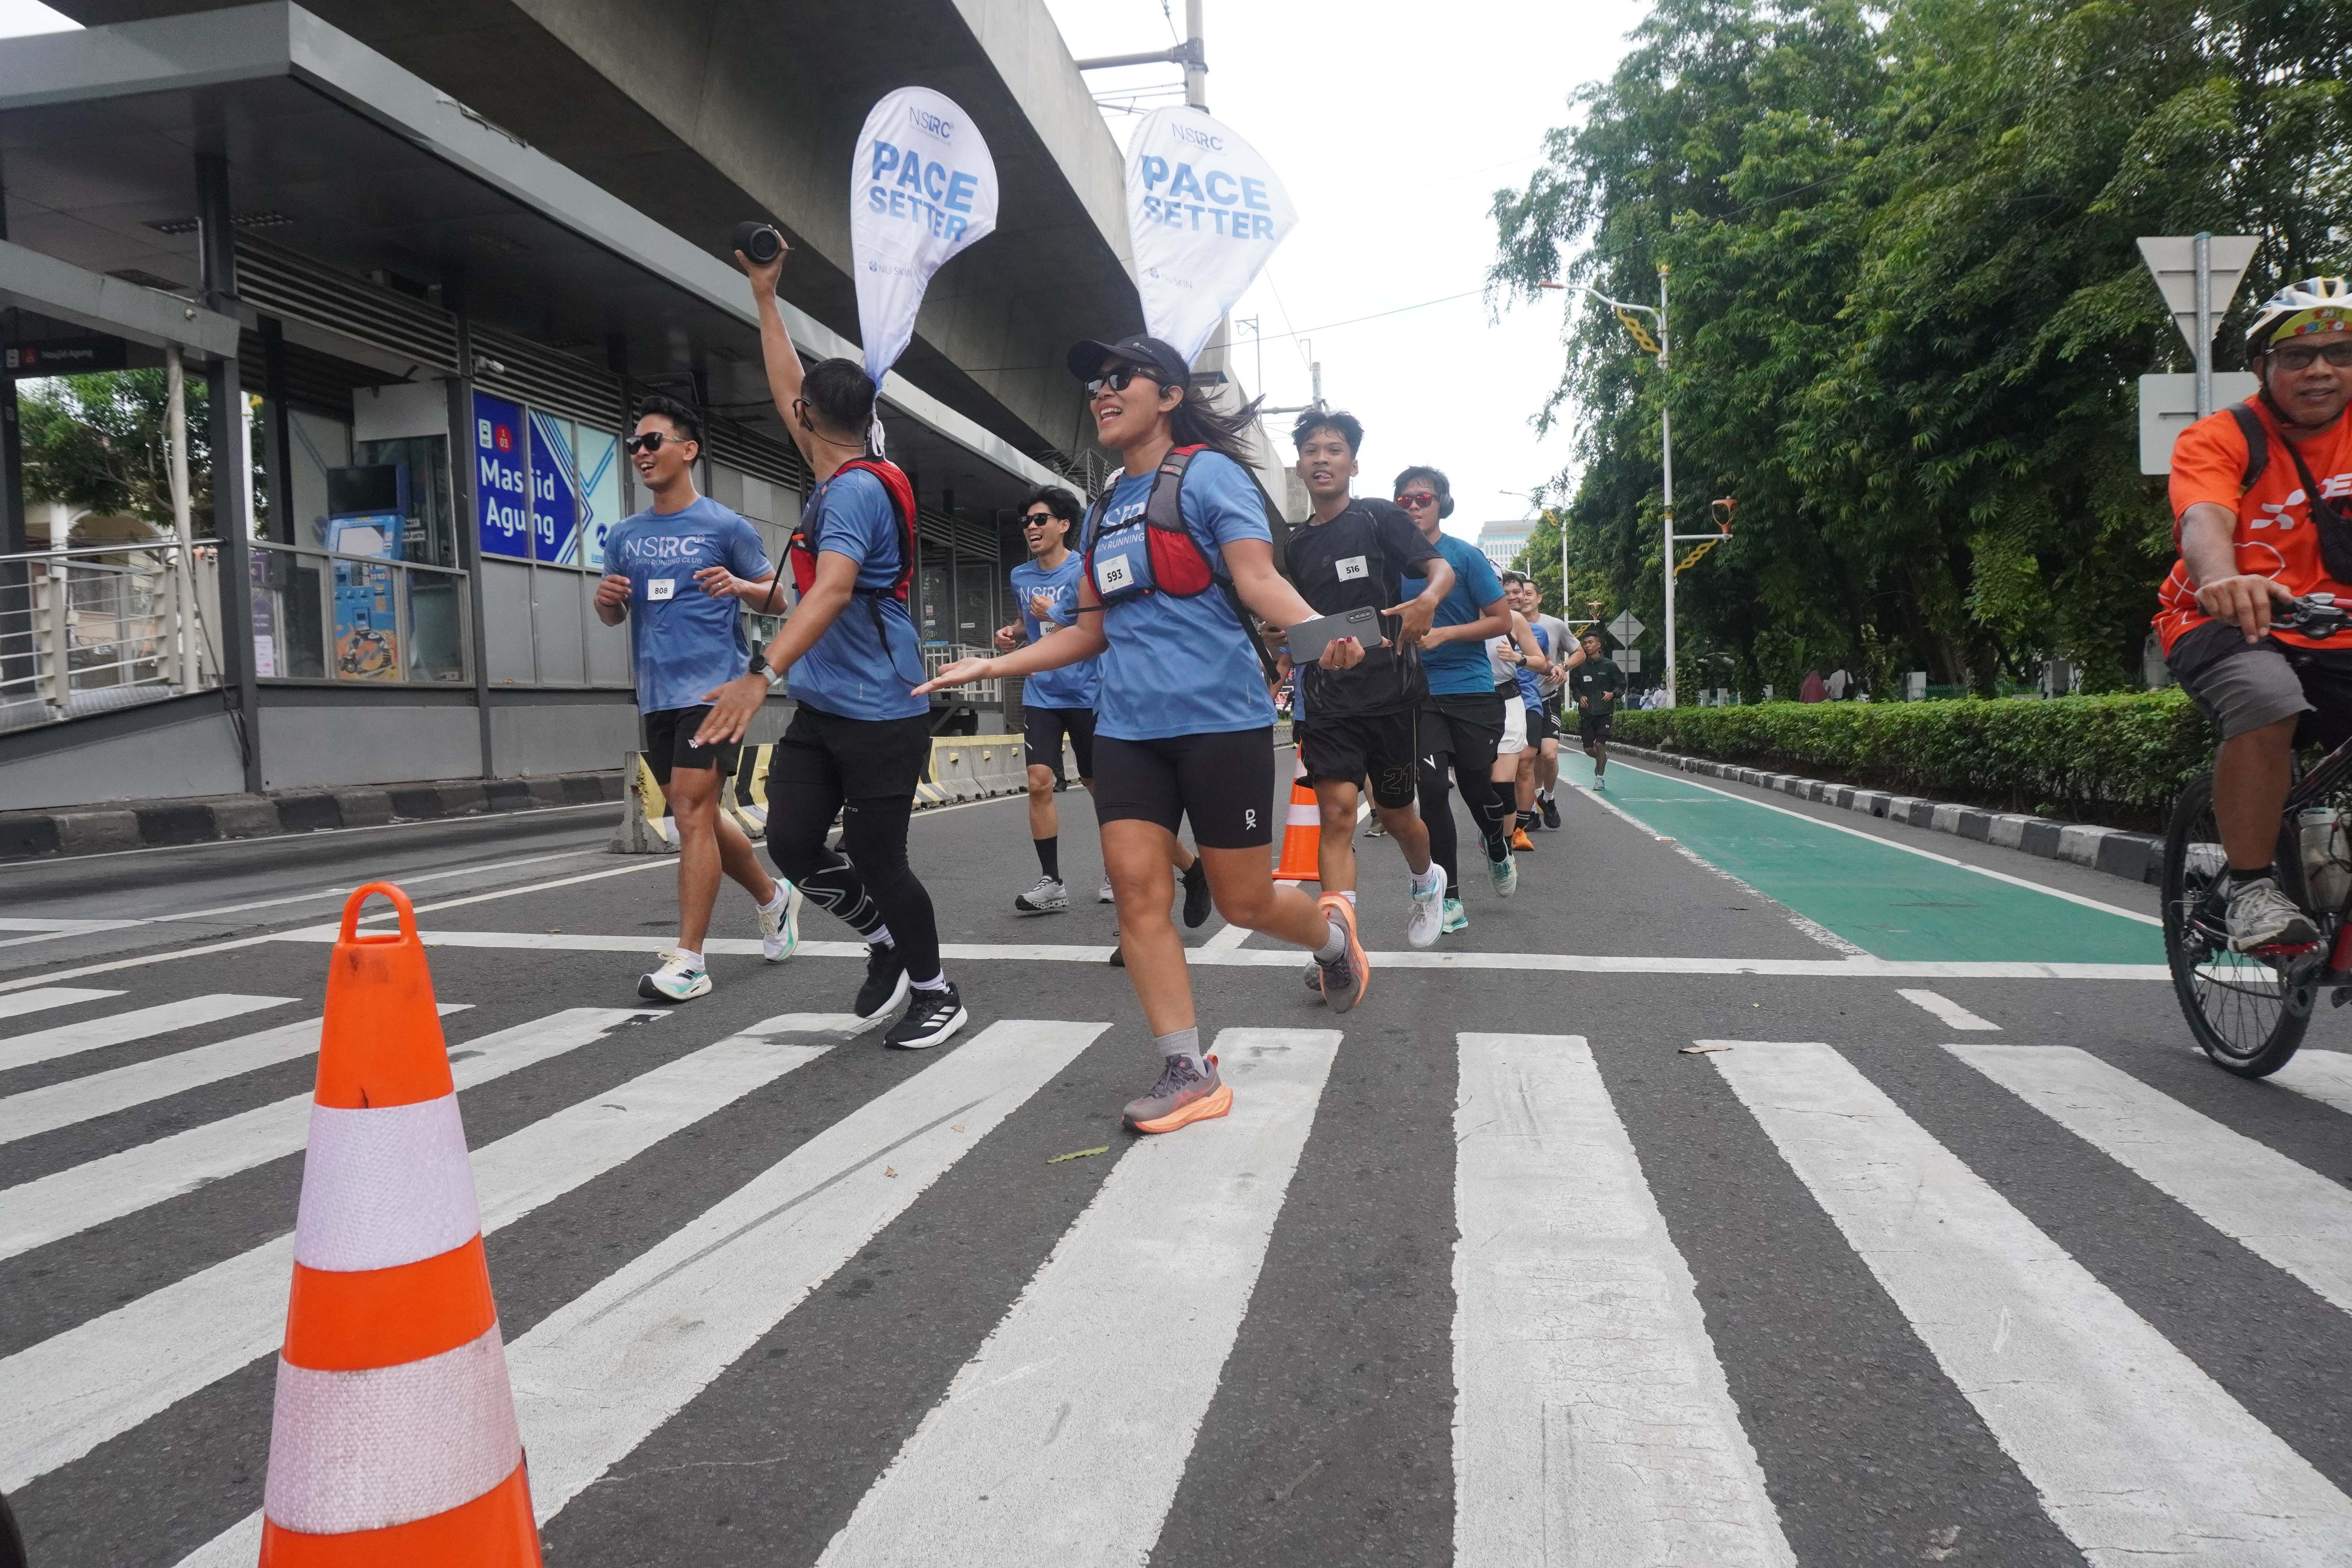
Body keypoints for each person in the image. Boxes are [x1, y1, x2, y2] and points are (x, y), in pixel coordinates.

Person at [920, 333, 1375, 1136]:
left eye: (1120, 377)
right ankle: (1186, 1069)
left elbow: (1258, 578)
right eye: (1095, 382)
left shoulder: (1208, 476)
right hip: (1128, 728)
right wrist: (992, 665)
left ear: (1168, 395)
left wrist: (1321, 630)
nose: (1102, 391)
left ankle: (1333, 937)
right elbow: (1089, 630)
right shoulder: (1100, 509)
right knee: (1137, 890)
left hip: (1220, 721)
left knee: (1243, 900)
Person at [692, 235, 966, 1051]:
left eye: (800, 410)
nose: (792, 411)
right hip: (824, 706)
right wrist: (765, 296)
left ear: (813, 419)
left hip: (881, 708)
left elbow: (835, 588)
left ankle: (938, 991)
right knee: (792, 841)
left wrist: (759, 673)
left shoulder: (851, 496)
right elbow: (790, 387)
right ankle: (885, 942)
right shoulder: (847, 469)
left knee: (881, 858)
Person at [2156, 276, 2352, 950]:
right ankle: (2250, 890)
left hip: (2341, 631)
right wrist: (2221, 579)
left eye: (2341, 353)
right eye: (2298, 356)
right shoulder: (2222, 437)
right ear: (2263, 368)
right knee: (2268, 700)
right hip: (2229, 621)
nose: (2321, 369)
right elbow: (2203, 517)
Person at [593, 393, 799, 1003]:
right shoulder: (624, 535)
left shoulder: (725, 526)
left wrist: (738, 585)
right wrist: (606, 604)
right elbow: (614, 615)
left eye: (651, 441)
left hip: (716, 692)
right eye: (633, 444)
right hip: (657, 694)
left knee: (687, 810)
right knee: (700, 815)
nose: (640, 452)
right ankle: (773, 897)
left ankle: (690, 961)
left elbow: (779, 600)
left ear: (688, 450)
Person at [996, 486, 1212, 936]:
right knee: (1039, 782)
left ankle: (1187, 868)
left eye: (1040, 519)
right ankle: (1052, 881)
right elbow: (1029, 624)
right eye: (1026, 521)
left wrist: (1057, 611)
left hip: (1090, 694)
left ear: (1064, 525)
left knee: (1111, 799)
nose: (1031, 527)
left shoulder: (1087, 568)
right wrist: (1014, 634)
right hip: (1043, 693)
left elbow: (1097, 625)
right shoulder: (1020, 576)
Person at [1282, 410, 1452, 951]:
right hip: (1327, 698)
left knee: (1398, 814)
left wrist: (1427, 601)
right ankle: (1338, 943)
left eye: (1334, 450)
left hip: (1390, 693)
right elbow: (1297, 617)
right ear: (1300, 466)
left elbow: (1439, 569)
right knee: (1336, 815)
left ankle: (1427, 880)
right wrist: (1283, 642)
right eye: (1311, 451)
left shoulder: (1378, 516)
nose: (1322, 459)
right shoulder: (1294, 545)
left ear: (1353, 464)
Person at [1394, 466, 1515, 929]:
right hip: (1417, 693)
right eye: (1404, 500)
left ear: (1442, 503)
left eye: (1423, 498)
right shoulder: (1389, 562)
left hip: (1471, 690)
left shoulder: (1465, 556)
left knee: (1476, 786)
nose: (1414, 506)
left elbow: (1502, 620)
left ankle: (1496, 841)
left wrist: (1444, 634)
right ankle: (1450, 900)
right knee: (1431, 790)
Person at [1488, 604, 1552, 849]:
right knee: (1488, 773)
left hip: (1527, 702)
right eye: (1509, 592)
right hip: (1482, 702)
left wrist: (1558, 668)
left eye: (1519, 592)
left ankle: (1516, 833)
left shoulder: (1535, 630)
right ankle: (1494, 825)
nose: (1514, 597)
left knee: (1524, 763)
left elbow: (1545, 663)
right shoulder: (1467, 619)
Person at [1568, 629, 1626, 788]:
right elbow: (1574, 686)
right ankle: (1602, 758)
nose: (1587, 646)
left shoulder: (1610, 666)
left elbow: (1622, 685)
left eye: (1591, 643)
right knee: (1589, 749)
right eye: (1585, 643)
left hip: (1605, 712)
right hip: (1587, 713)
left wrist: (1613, 694)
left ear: (1599, 645)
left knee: (1600, 745)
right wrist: (1580, 697)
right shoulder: (1580, 667)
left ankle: (1600, 779)